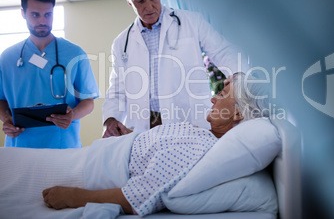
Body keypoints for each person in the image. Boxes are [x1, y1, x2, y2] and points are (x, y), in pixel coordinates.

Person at [42, 73, 270, 216]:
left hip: (82, 169)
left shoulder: (201, 148)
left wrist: (73, 197)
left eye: (221, 93)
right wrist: (130, 136)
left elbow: (137, 197)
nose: (213, 98)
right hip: (96, 155)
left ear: (238, 113)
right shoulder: (202, 136)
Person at [102, 0, 249, 137]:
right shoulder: (122, 43)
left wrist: (238, 75)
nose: (149, 7)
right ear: (129, 2)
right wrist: (110, 119)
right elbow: (117, 89)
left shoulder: (192, 22)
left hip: (188, 120)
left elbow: (223, 51)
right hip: (145, 127)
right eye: (140, 1)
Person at [0, 0, 100, 148]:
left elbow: (88, 101)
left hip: (62, 145)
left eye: (48, 14)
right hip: (20, 145)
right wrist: (6, 120)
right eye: (35, 15)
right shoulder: (7, 57)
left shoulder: (75, 53)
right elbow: (1, 100)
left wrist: (72, 115)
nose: (42, 21)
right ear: (23, 13)